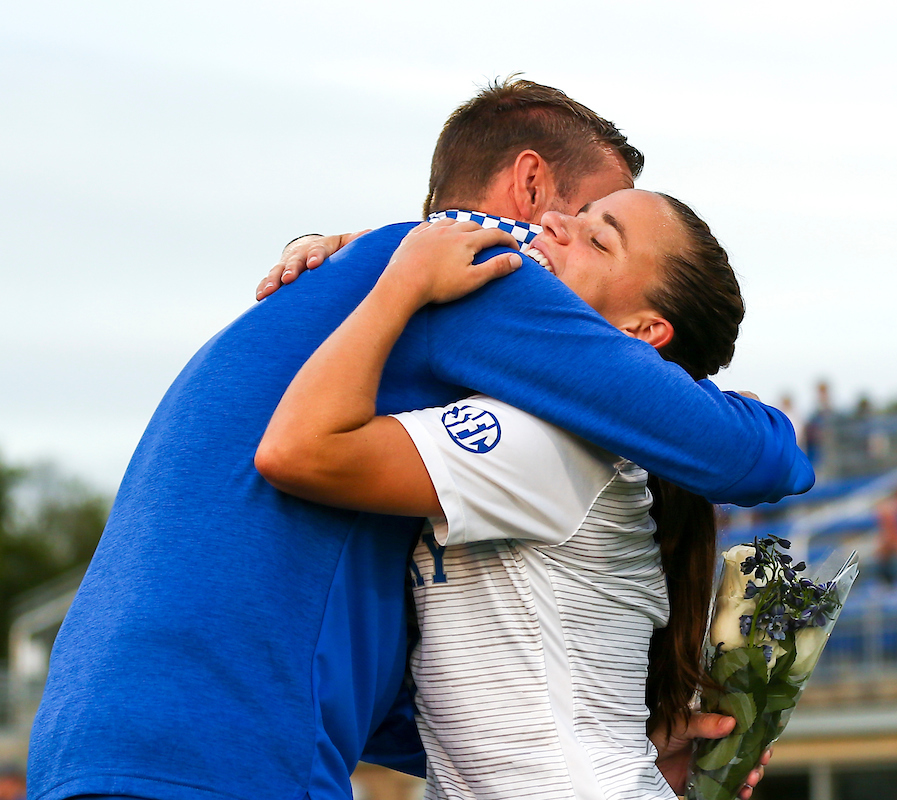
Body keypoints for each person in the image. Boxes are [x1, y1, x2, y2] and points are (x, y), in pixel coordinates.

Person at [27, 79, 811, 800]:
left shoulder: (382, 285)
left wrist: (621, 737)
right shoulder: (484, 279)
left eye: (599, 238)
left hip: (91, 732)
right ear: (530, 187)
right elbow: (756, 456)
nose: (562, 234)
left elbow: (451, 688)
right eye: (594, 210)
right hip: (226, 742)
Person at [256, 189, 748, 799]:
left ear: (642, 331)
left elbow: (298, 450)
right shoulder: (554, 436)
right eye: (579, 213)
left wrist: (398, 283)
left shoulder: (549, 444)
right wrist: (351, 252)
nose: (554, 223)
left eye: (600, 239)